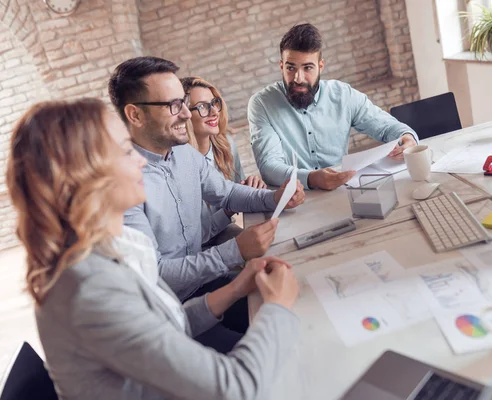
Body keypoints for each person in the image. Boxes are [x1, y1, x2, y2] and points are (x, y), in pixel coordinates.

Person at [6, 98, 300, 400]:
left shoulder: (112, 248)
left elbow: (169, 325)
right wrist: (277, 306)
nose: (141, 161)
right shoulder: (90, 290)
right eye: (123, 150)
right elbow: (235, 388)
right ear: (82, 176)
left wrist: (236, 288)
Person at [108, 57, 305, 342]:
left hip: (206, 285)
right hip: (169, 316)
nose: (187, 115)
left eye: (183, 102)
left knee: (294, 305)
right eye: (173, 105)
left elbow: (227, 192)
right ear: (135, 115)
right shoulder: (123, 186)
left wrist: (274, 197)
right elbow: (158, 273)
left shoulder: (183, 153)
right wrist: (235, 251)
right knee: (270, 344)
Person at [248, 23, 419, 190]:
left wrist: (407, 138)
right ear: (281, 66)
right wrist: (312, 179)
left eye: (308, 67)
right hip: (295, 197)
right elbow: (269, 166)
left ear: (320, 66)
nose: (298, 78)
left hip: (343, 189)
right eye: (290, 68)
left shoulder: (343, 95)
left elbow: (387, 126)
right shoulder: (262, 104)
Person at [180, 76, 266, 246]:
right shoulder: (178, 164)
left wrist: (250, 188)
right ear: (184, 115)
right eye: (202, 107)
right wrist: (229, 209)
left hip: (228, 235)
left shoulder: (226, 145)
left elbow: (237, 201)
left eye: (214, 103)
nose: (213, 112)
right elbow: (191, 239)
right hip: (197, 251)